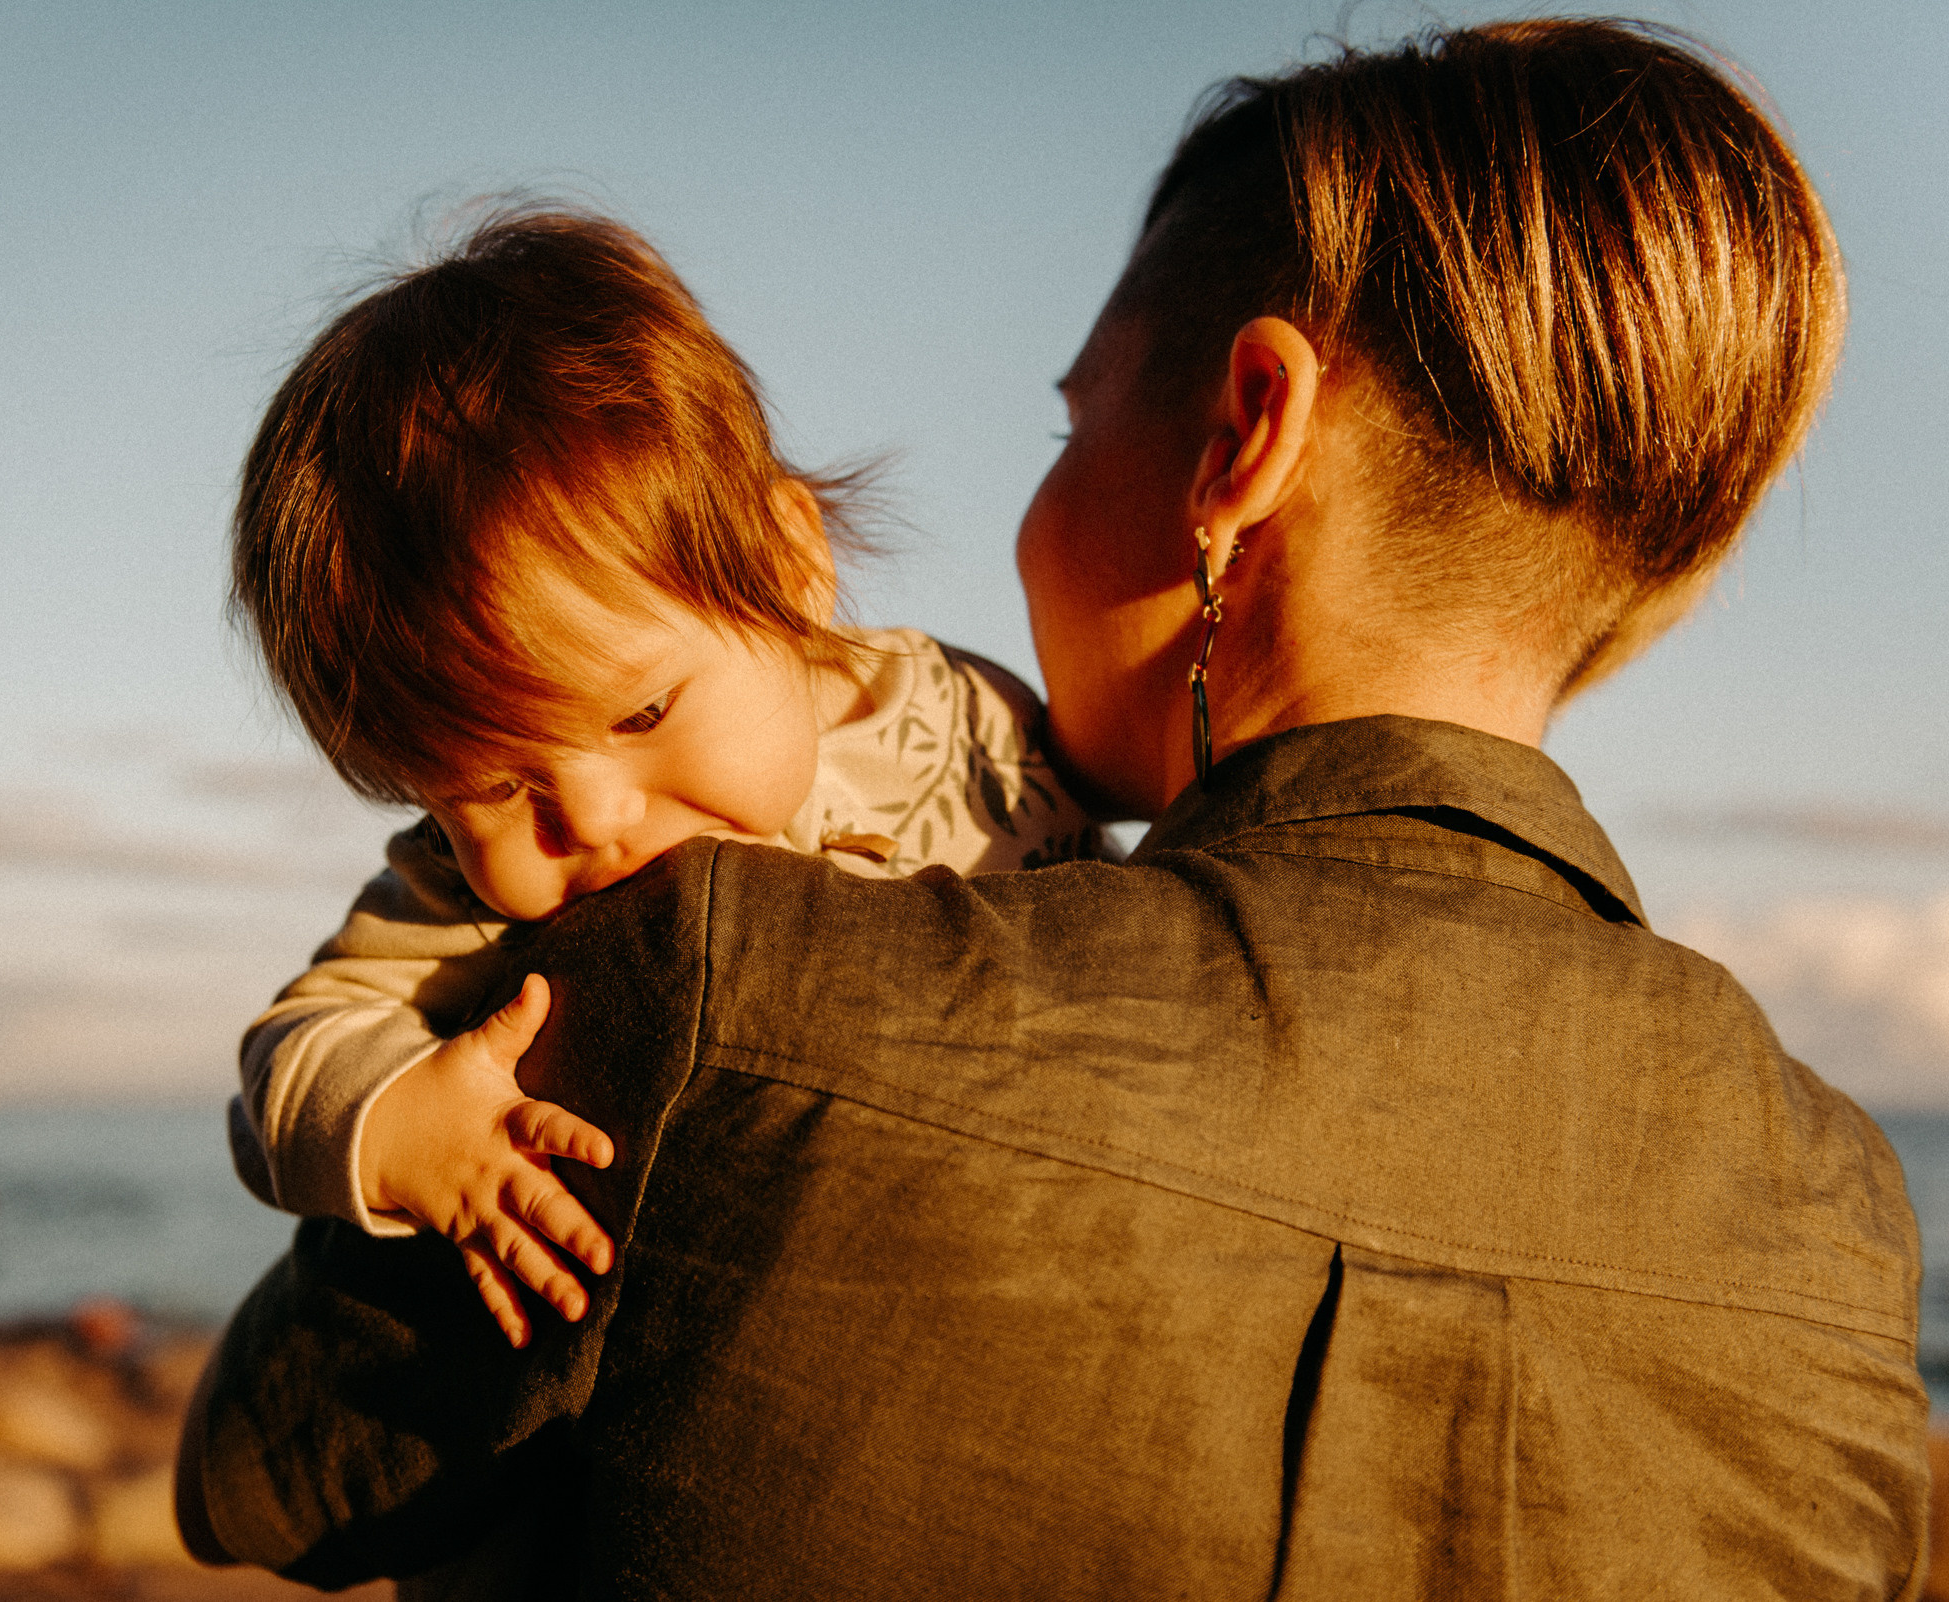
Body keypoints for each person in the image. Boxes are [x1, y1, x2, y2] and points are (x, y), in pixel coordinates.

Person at [181, 19, 1931, 1598]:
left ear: (1248, 430)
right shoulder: (1841, 1219)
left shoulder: (712, 979)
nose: (1026, 524)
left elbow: (256, 1478)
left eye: (1072, 419)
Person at [223, 207, 1107, 1347]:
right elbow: (286, 1066)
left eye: (641, 711)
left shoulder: (978, 712)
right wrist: (410, 1132)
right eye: (486, 786)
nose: (586, 815)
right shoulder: (453, 897)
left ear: (789, 565)